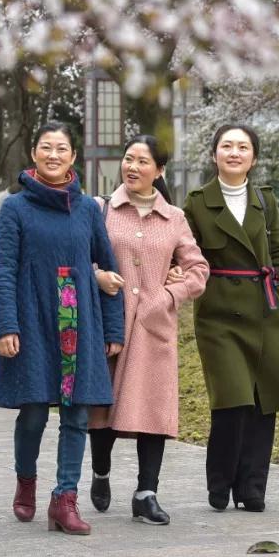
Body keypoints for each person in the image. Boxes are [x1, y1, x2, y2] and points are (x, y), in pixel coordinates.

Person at [0, 122, 124, 536]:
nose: (53, 154)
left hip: (79, 323)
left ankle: (65, 499)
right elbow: (3, 270)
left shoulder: (86, 209)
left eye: (61, 148)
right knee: (32, 413)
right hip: (34, 320)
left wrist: (112, 329)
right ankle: (25, 480)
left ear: (72, 156)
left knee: (77, 415)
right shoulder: (15, 208)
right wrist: (6, 325)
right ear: (34, 153)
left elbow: (108, 270)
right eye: (46, 147)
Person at [89, 135, 208, 526]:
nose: (133, 167)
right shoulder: (101, 210)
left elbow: (198, 270)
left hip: (154, 328)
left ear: (159, 171)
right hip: (110, 322)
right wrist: (97, 276)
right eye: (128, 159)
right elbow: (80, 259)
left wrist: (167, 295)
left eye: (143, 161)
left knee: (154, 409)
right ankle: (101, 472)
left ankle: (146, 493)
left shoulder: (174, 218)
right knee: (102, 409)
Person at [182, 124, 279, 512]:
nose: (235, 153)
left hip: (265, 312)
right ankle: (220, 483)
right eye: (227, 146)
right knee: (232, 402)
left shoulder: (265, 200)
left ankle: (252, 490)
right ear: (214, 154)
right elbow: (185, 254)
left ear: (253, 156)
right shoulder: (197, 202)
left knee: (264, 403)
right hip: (218, 317)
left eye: (243, 147)